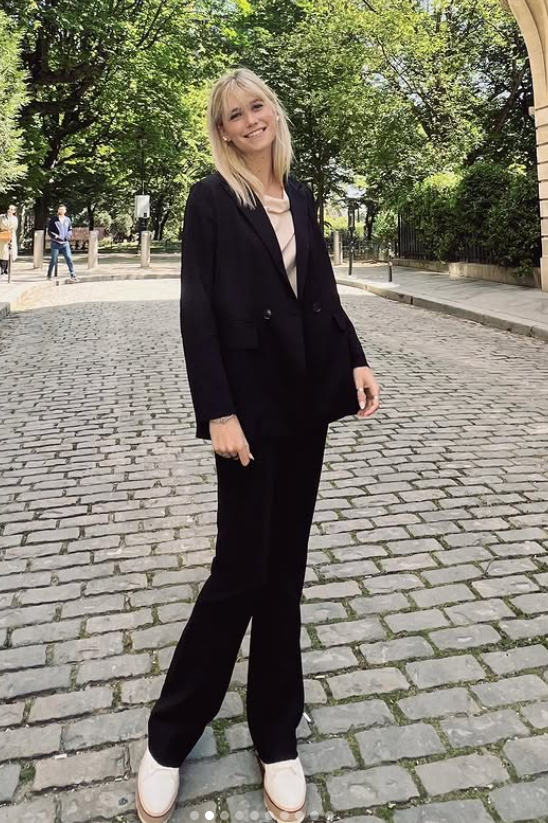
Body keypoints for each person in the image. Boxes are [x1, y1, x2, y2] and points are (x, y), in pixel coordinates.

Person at [136, 68, 380, 823]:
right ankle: (168, 738)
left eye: (258, 106)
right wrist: (217, 412)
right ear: (222, 128)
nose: (250, 120)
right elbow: (196, 310)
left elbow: (322, 295)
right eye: (235, 113)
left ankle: (277, 735)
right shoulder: (212, 200)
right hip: (247, 411)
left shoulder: (299, 195)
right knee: (238, 572)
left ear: (274, 111)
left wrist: (357, 356)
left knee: (285, 572)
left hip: (304, 402)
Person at [47, 204, 78, 282]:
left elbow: (70, 229)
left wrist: (68, 236)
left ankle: (73, 275)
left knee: (69, 258)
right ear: (58, 210)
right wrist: (56, 237)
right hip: (55, 243)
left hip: (65, 243)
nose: (61, 210)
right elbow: (50, 231)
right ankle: (49, 275)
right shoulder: (53, 219)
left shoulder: (68, 219)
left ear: (65, 211)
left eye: (62, 209)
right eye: (59, 209)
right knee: (53, 260)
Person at [0, 204, 18, 277]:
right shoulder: (1, 217)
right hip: (2, 235)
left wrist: (10, 231)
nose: (9, 210)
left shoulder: (15, 218)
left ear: (14, 211)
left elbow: (15, 227)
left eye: (11, 209)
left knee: (9, 252)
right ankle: (2, 268)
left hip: (11, 236)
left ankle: (6, 268)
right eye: (9, 209)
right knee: (2, 252)